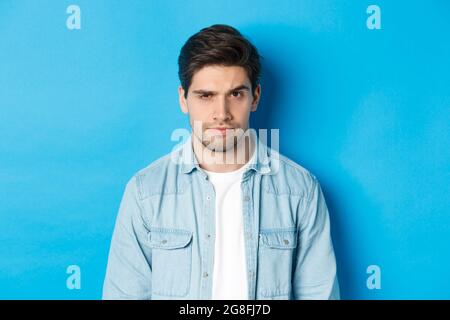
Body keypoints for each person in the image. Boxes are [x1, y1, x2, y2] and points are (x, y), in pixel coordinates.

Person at [102, 24, 339, 300]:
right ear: (183, 99)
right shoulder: (146, 192)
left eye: (236, 94)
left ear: (255, 97)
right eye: (206, 96)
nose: (221, 113)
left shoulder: (300, 190)